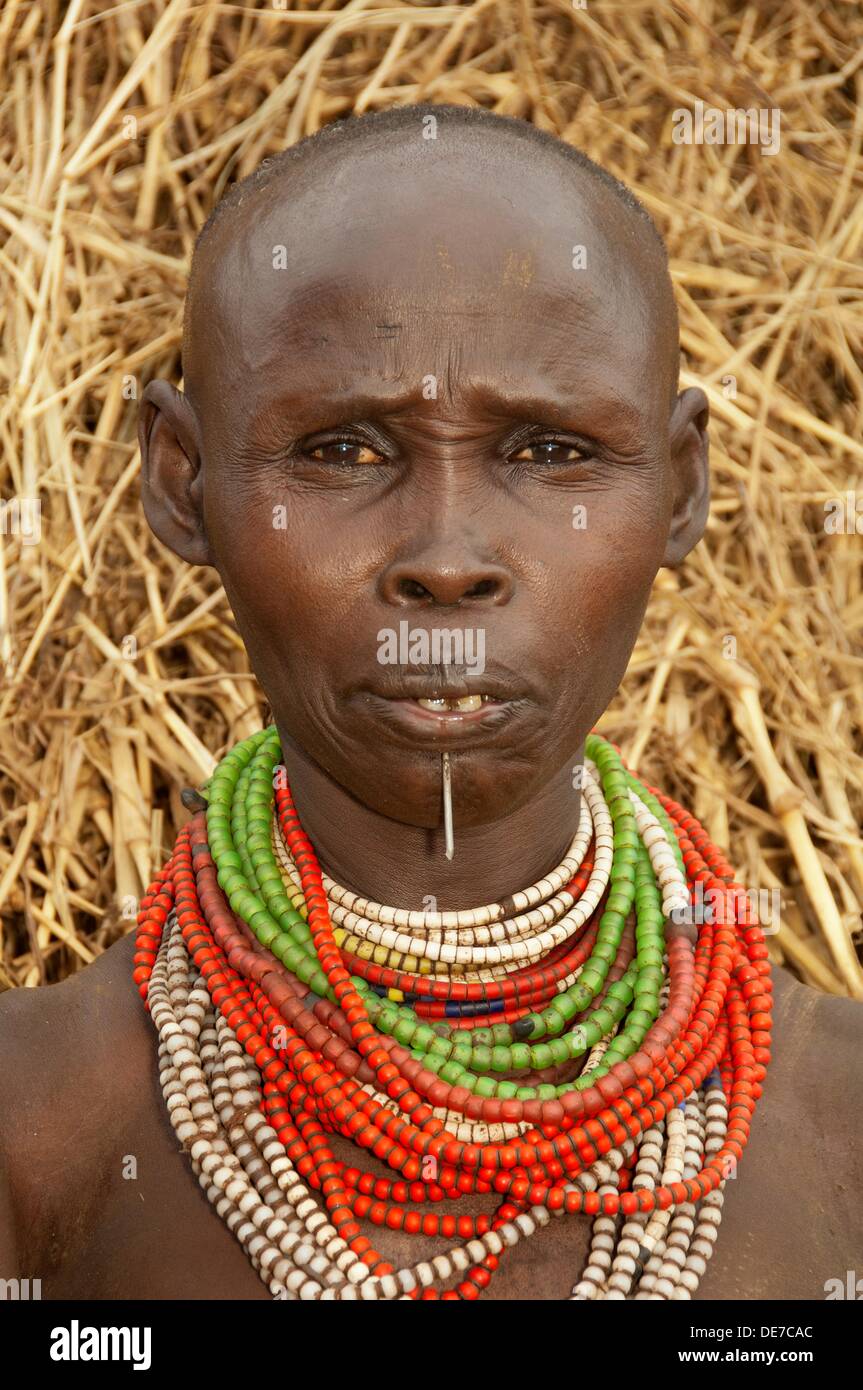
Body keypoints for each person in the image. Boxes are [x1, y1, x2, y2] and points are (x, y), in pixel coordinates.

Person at [1, 105, 860, 1301]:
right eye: (344, 450)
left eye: (550, 452)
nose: (448, 557)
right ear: (183, 484)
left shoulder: (838, 1135)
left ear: (679, 490)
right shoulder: (36, 1135)